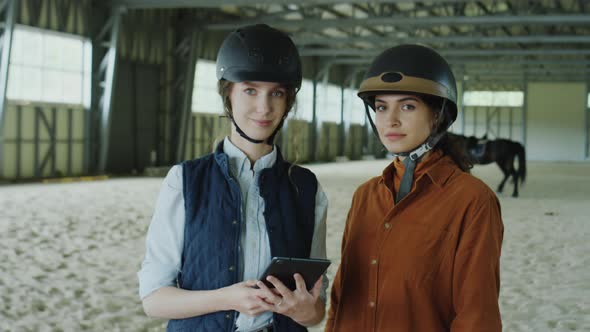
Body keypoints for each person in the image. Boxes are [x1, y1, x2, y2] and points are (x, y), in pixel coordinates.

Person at [138, 24, 328, 332]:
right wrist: (226, 298)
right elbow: (154, 300)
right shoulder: (184, 180)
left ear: (288, 102)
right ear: (228, 94)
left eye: (276, 93)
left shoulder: (307, 187)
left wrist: (304, 311)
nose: (264, 107)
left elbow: (317, 312)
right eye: (250, 90)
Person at [325, 44, 504, 332]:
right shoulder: (365, 196)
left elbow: (477, 315)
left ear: (438, 115)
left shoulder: (473, 201)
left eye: (407, 106)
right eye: (382, 107)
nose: (391, 120)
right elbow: (341, 296)